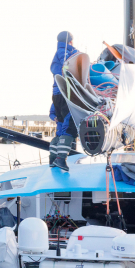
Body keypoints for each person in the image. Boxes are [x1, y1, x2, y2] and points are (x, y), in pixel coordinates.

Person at [49, 30, 79, 170]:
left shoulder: (58, 52)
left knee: (61, 127)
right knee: (70, 126)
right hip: (66, 92)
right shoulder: (65, 52)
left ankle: (53, 159)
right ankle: (61, 159)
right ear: (70, 41)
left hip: (56, 93)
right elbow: (68, 65)